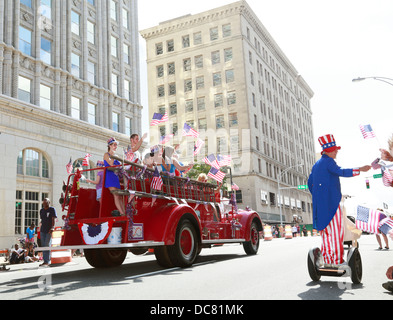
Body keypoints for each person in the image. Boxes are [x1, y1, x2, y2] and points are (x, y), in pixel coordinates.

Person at [308, 134, 371, 266]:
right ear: (328, 151)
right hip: (331, 203)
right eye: (335, 149)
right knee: (336, 232)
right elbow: (341, 172)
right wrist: (359, 169)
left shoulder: (316, 165)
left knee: (326, 233)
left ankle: (327, 259)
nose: (337, 151)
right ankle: (336, 261)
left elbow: (310, 183)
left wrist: (319, 195)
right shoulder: (329, 162)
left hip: (320, 206)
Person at [104, 137, 126, 216]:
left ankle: (124, 212)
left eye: (116, 145)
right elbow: (110, 164)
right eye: (114, 145)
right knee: (116, 195)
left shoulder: (115, 155)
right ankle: (122, 213)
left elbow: (119, 167)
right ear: (109, 145)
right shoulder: (106, 154)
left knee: (119, 196)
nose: (115, 146)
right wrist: (113, 155)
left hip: (115, 177)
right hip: (110, 177)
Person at [39, 198, 57, 267]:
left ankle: (47, 261)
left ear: (49, 203)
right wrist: (39, 227)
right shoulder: (41, 210)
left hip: (49, 230)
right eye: (43, 203)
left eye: (46, 202)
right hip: (42, 230)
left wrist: (52, 227)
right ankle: (45, 261)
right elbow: (42, 220)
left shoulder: (52, 209)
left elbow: (53, 219)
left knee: (47, 244)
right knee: (43, 245)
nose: (44, 204)